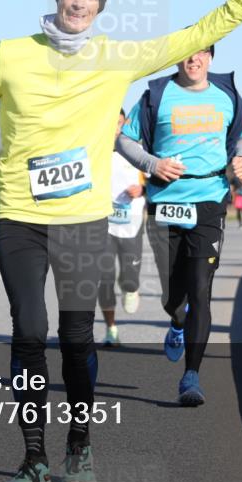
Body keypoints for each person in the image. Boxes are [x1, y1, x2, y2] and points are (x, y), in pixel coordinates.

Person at [0, 0, 242, 482]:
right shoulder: (11, 52)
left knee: (76, 337)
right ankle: (32, 459)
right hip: (20, 214)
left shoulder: (117, 57)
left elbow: (193, 36)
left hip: (82, 217)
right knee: (28, 332)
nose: (78, 4)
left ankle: (79, 442)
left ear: (100, 8)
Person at [117, 43, 242, 405]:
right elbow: (124, 139)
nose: (194, 60)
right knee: (173, 296)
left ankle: (192, 376)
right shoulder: (156, 96)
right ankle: (176, 322)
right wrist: (152, 165)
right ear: (178, 57)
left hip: (209, 199)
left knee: (200, 289)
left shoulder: (227, 95)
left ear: (210, 58)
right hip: (165, 202)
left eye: (201, 54)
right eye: (188, 53)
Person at [98, 109, 146, 348]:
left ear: (125, 125)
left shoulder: (137, 151)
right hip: (103, 224)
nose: (115, 129)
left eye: (118, 124)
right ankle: (111, 328)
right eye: (111, 124)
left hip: (132, 222)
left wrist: (142, 190)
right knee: (104, 278)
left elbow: (154, 180)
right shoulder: (95, 150)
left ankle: (131, 287)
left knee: (128, 275)